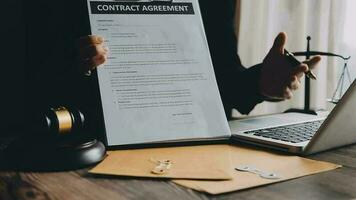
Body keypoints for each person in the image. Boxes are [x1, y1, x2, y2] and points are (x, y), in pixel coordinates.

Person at [24, 0, 321, 136]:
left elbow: (226, 84)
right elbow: (28, 87)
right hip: (90, 149)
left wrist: (261, 84)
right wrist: (78, 67)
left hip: (197, 151)